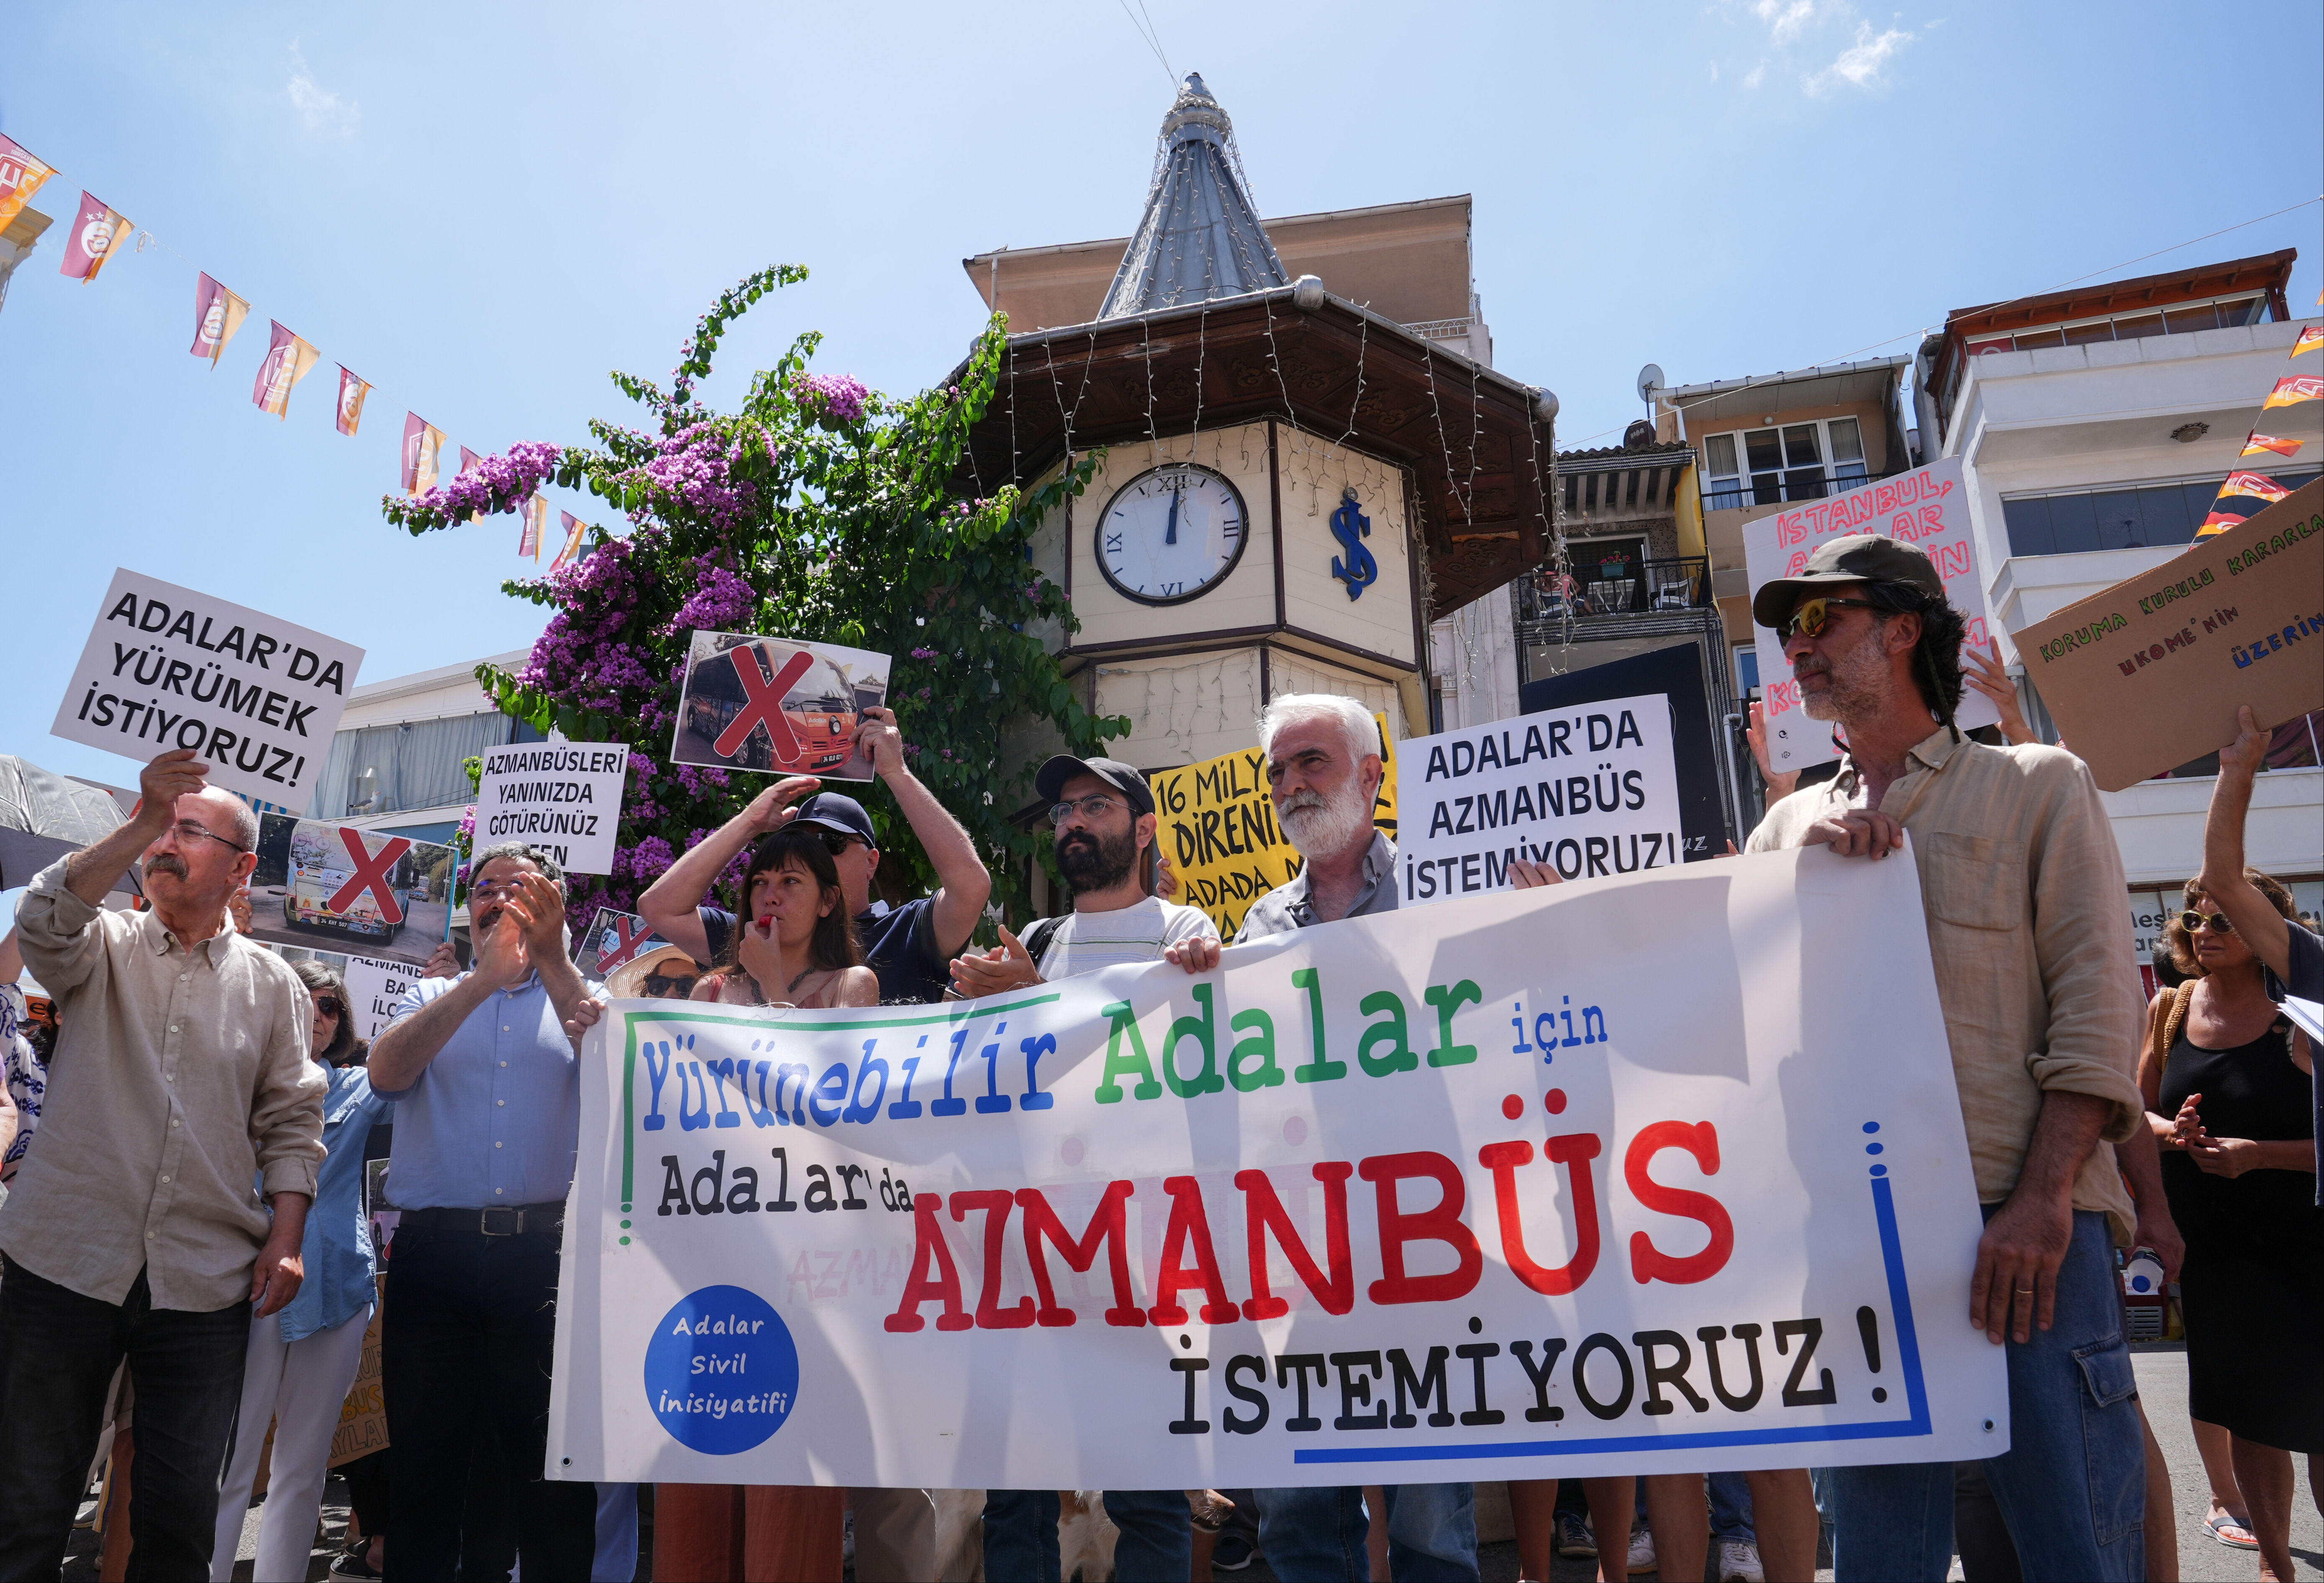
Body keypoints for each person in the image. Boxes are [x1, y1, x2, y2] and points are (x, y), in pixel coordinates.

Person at [1743, 535, 2149, 1581]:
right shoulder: (1783, 825)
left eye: (1819, 618)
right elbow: (1738, 1021)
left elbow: (2099, 1010)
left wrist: (2043, 1196)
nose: (1797, 646)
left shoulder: (2036, 785)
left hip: (2020, 1238)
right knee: (1881, 1558)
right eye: (1789, 629)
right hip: (1855, 1244)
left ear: (1902, 625)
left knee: (2074, 1549)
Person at [1163, 695, 1507, 1583]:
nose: (1288, 785)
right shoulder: (1258, 928)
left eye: (1308, 762)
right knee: (1303, 1510)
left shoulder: (1446, 892)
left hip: (1426, 1242)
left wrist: (1549, 922)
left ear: (1368, 773)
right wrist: (1201, 985)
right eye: (1276, 771)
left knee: (1430, 1515)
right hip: (1302, 1253)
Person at [0, 747, 324, 1580]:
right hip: (62, 1261)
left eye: (189, 828)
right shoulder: (99, 942)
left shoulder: (276, 985)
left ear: (243, 865)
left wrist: (286, 1236)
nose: (165, 842)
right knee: (26, 1506)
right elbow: (40, 925)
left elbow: (293, 1119)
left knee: (179, 1523)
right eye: (160, 829)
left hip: (203, 1285)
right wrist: (140, 817)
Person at [951, 752, 1217, 1583]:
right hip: (1031, 1248)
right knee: (1018, 1489)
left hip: (1140, 1254)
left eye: (1091, 806)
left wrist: (1036, 999)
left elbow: (1187, 1067)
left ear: (1140, 829)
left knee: (1145, 1491)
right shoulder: (1033, 939)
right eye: (1062, 809)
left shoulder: (1186, 934)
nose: (1070, 821)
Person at [365, 841, 606, 1583]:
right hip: (434, 1261)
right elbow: (386, 1073)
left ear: (555, 904)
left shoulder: (588, 993)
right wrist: (479, 983)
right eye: (485, 887)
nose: (500, 897)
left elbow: (609, 1069)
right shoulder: (429, 994)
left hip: (542, 1260)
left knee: (549, 1474)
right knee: (426, 1467)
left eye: (521, 886)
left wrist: (552, 959)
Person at [2142, 855, 2319, 1583]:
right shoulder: (2171, 1007)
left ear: (2262, 927)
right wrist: (2170, 1133)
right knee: (2247, 1410)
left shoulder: (2302, 1015)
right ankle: (2276, 1565)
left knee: (2316, 1412)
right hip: (2212, 1246)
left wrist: (2256, 1155)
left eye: (2223, 917)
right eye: (2194, 916)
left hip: (2304, 1243)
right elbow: (2131, 1112)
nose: (2204, 929)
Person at [212, 960, 394, 1583]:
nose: (318, 1013)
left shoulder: (363, 1085)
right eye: (304, 998)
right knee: (229, 1458)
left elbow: (420, 1061)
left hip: (337, 1288)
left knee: (303, 1462)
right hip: (243, 1283)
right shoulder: (237, 1077)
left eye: (332, 1005)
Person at [640, 706, 990, 1005]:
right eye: (795, 846)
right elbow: (659, 907)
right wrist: (748, 822)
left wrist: (896, 772)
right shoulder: (758, 934)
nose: (809, 858)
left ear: (871, 862)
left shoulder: (907, 930)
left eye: (830, 842)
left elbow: (971, 886)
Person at [691, 826, 878, 1009]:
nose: (770, 897)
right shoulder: (709, 992)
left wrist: (770, 979)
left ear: (827, 901)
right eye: (760, 882)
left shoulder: (851, 985)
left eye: (790, 881)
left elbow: (795, 1042)